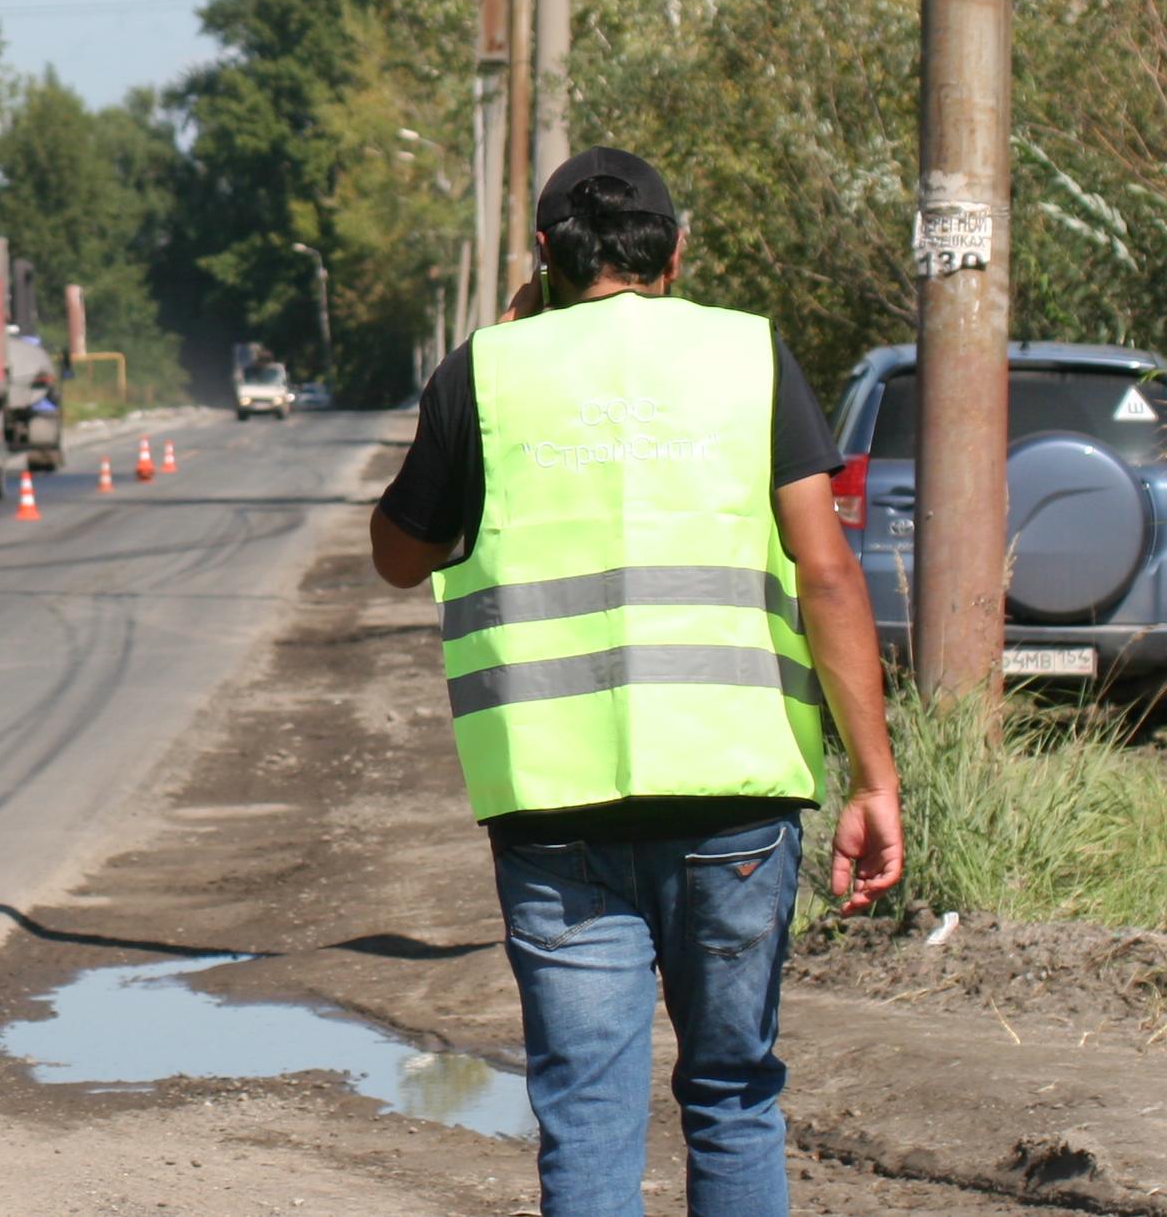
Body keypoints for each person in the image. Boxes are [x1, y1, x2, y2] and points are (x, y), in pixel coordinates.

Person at [365, 147, 904, 1217]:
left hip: (554, 813)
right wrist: (873, 777)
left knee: (587, 1109)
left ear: (542, 257)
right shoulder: (748, 355)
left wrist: (507, 341)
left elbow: (398, 553)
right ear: (678, 250)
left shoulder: (487, 370)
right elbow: (829, 571)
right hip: (737, 805)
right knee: (733, 1093)